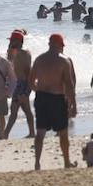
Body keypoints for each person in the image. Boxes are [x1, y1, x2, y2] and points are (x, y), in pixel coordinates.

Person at [30, 34, 77, 170]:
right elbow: (69, 85)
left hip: (41, 98)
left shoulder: (39, 59)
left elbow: (31, 82)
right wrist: (73, 104)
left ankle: (37, 163)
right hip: (57, 99)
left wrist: (39, 91)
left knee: (40, 133)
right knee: (63, 133)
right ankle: (66, 162)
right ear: (59, 45)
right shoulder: (64, 61)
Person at [2, 30, 36, 140]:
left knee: (19, 110)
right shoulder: (19, 52)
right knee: (21, 110)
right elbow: (9, 60)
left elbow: (26, 69)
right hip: (22, 83)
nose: (10, 42)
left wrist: (28, 87)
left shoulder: (23, 53)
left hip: (23, 83)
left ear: (17, 41)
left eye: (12, 40)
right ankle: (6, 133)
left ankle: (6, 134)